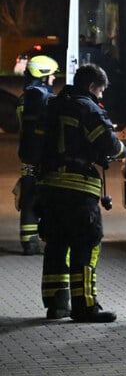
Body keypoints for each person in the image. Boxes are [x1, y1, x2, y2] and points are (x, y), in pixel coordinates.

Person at [37, 64, 126, 321]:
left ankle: (56, 304)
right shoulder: (87, 108)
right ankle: (85, 306)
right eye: (100, 91)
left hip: (50, 188)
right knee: (86, 244)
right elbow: (109, 144)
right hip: (78, 189)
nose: (101, 96)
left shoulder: (52, 105)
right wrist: (125, 151)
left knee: (56, 245)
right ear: (91, 86)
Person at [15, 54, 59, 256]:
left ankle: (29, 243)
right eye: (52, 75)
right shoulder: (48, 100)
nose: (54, 79)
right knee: (49, 198)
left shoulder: (23, 100)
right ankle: (49, 238)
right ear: (43, 75)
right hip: (46, 159)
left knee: (28, 198)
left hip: (27, 158)